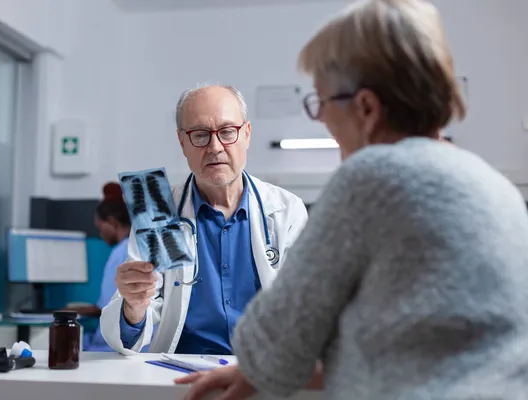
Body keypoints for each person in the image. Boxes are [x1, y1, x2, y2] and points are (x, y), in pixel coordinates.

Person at [177, 0, 528, 399]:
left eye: (322, 103)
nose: (322, 119)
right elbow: (421, 348)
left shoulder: (372, 178)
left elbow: (276, 342)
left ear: (365, 108)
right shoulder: (494, 186)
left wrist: (261, 364)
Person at [99, 85, 309, 355]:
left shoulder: (285, 210)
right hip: (181, 375)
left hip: (263, 373)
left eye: (227, 132)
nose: (215, 147)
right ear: (182, 142)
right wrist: (134, 305)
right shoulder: (160, 213)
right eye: (199, 135)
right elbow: (133, 329)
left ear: (246, 134)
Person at [78, 182, 131, 352]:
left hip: (113, 344)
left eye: (101, 228)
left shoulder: (120, 252)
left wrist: (69, 311)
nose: (101, 235)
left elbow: (107, 306)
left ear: (112, 223)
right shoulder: (138, 247)